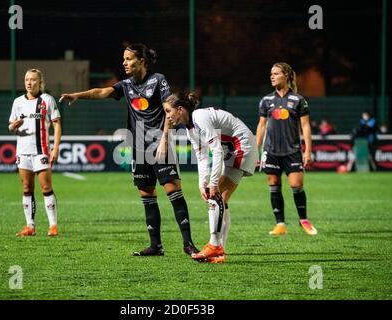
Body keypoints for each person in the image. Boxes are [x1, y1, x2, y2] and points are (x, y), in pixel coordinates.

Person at [59, 43, 199, 257]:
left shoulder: (158, 80)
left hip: (159, 143)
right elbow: (102, 92)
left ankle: (188, 244)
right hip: (138, 147)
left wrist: (164, 139)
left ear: (141, 61)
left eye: (128, 59)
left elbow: (169, 112)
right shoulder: (126, 85)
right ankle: (156, 246)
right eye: (123, 59)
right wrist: (78, 94)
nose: (124, 63)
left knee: (174, 193)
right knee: (147, 195)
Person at [163, 92, 258, 263]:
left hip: (242, 146)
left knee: (216, 196)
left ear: (180, 109)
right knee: (222, 199)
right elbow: (202, 157)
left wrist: (213, 183)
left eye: (169, 111)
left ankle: (215, 245)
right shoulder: (190, 128)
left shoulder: (199, 116)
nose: (167, 117)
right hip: (235, 149)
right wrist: (202, 184)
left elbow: (216, 151)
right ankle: (219, 252)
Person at [256, 62, 317, 236]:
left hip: (292, 151)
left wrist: (308, 151)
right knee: (274, 184)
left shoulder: (298, 100)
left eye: (276, 73)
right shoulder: (266, 101)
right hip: (271, 151)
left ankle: (303, 220)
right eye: (271, 74)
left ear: (287, 76)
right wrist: (256, 150)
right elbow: (261, 127)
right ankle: (280, 224)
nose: (272, 76)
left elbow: (305, 126)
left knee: (296, 184)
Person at [8, 68, 61, 237]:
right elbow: (10, 126)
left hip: (42, 150)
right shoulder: (18, 102)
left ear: (40, 82)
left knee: (46, 187)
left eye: (32, 80)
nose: (29, 83)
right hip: (23, 152)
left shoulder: (47, 100)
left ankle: (53, 225)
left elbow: (57, 125)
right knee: (26, 188)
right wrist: (14, 126)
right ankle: (30, 226)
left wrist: (56, 148)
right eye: (26, 80)